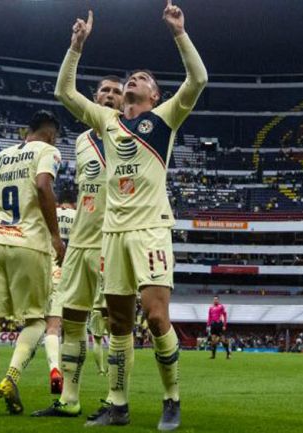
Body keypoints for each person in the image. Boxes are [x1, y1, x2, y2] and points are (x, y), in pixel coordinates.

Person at [55, 1, 207, 429]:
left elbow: (199, 79)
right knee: (119, 320)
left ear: (155, 95)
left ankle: (171, 396)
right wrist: (76, 47)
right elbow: (65, 93)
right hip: (112, 235)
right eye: (130, 78)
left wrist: (179, 32)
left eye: (142, 79)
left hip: (150, 231)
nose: (133, 80)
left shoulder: (164, 119)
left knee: (156, 316)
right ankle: (118, 404)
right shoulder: (106, 121)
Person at [32, 75, 124, 418]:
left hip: (112, 241)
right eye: (105, 91)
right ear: (94, 98)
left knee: (115, 322)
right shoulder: (83, 140)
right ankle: (69, 399)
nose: (111, 96)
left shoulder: (130, 135)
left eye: (117, 92)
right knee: (71, 320)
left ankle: (116, 400)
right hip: (80, 243)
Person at [0, 110, 64, 416]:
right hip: (31, 244)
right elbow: (42, 186)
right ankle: (11, 378)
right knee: (36, 320)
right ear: (50, 135)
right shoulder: (48, 151)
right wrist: (55, 235)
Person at [43, 202, 76, 395]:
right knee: (73, 330)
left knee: (51, 326)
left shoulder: (51, 213)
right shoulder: (78, 215)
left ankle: (55, 368)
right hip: (72, 272)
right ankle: (70, 380)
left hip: (50, 270)